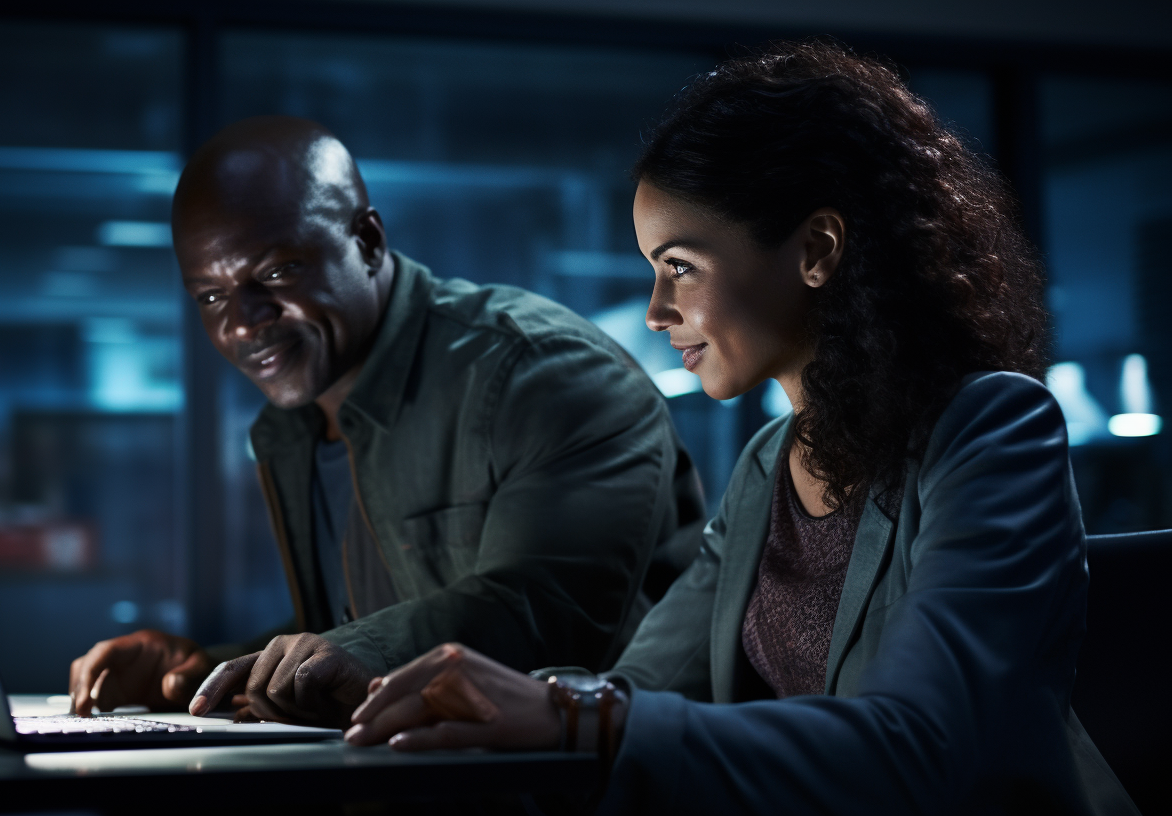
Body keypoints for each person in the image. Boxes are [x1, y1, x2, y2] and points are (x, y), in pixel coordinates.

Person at [345, 42, 1138, 815]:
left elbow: (924, 746)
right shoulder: (768, 465)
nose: (657, 312)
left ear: (818, 250)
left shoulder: (991, 428)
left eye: (680, 266)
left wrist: (574, 719)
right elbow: (641, 695)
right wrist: (473, 705)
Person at [67, 117, 706, 727]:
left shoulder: (539, 370)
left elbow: (546, 611)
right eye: (210, 295)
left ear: (368, 242)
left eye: (276, 272)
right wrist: (198, 673)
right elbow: (358, 624)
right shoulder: (292, 427)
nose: (240, 321)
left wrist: (333, 657)